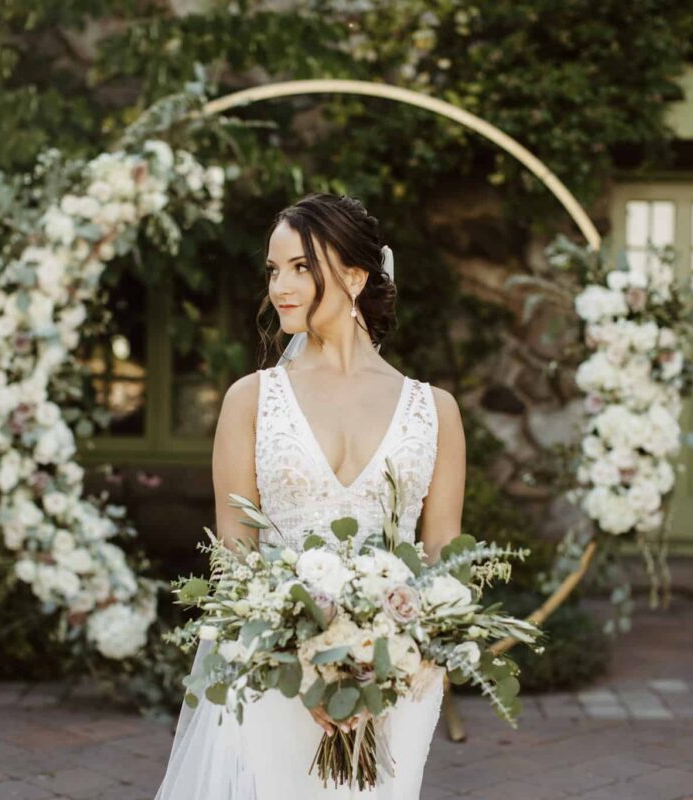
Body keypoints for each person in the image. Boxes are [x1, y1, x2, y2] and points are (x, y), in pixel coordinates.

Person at [155, 192, 466, 799]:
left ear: (355, 275)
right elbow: (234, 562)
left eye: (301, 266)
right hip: (274, 671)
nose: (280, 286)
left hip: (398, 684)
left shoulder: (436, 411)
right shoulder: (251, 400)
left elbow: (444, 565)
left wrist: (402, 662)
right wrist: (305, 666)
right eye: (274, 269)